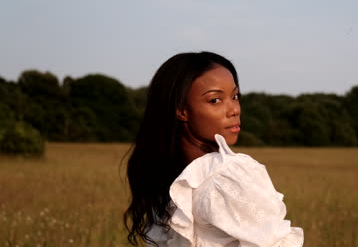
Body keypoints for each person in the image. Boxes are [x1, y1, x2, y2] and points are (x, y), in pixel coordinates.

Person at [124, 51, 303, 247]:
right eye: (215, 100)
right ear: (181, 110)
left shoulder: (179, 182)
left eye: (235, 96)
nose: (234, 109)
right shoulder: (223, 175)